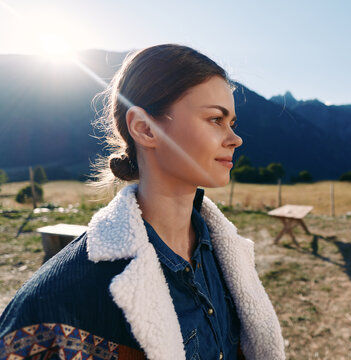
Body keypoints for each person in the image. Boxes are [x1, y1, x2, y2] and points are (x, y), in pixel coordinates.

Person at [0, 44, 285, 360]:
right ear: (145, 129)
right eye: (216, 119)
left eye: (232, 122)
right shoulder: (64, 292)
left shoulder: (226, 255)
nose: (235, 138)